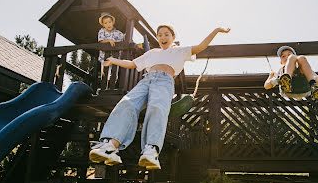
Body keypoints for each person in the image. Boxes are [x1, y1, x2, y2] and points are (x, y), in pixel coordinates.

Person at [89, 25, 230, 169]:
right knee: (126, 103)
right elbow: (132, 64)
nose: (163, 37)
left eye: (166, 34)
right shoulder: (152, 53)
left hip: (164, 81)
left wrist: (216, 31)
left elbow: (201, 46)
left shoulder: (179, 51)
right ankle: (110, 145)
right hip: (146, 80)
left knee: (157, 107)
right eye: (160, 35)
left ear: (173, 37)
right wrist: (113, 60)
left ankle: (151, 150)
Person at [97, 12, 125, 79]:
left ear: (112, 22)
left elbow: (125, 39)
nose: (108, 24)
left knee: (114, 74)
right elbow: (101, 41)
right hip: (105, 57)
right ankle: (104, 85)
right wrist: (109, 41)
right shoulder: (102, 31)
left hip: (116, 57)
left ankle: (113, 82)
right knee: (105, 73)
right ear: (103, 25)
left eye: (109, 22)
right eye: (105, 23)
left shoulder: (118, 33)